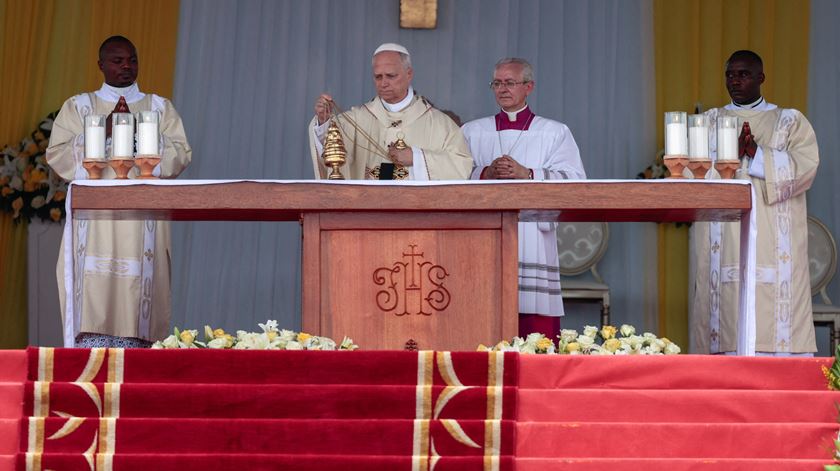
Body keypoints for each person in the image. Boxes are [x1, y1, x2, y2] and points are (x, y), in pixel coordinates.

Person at [46, 35, 192, 348]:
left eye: (132, 60)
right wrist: (104, 129)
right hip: (95, 221)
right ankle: (91, 346)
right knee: (93, 288)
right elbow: (57, 153)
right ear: (101, 65)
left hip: (142, 220)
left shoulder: (158, 108)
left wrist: (144, 132)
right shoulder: (79, 106)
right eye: (117, 60)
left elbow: (181, 154)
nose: (126, 66)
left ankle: (139, 349)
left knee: (139, 291)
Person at [690, 50, 819, 355]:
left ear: (761, 78)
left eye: (744, 74)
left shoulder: (790, 121)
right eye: (730, 74)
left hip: (775, 234)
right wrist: (725, 157)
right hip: (722, 234)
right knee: (722, 303)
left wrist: (757, 155)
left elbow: (807, 167)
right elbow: (688, 175)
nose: (735, 81)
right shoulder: (707, 121)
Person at [461, 58, 586, 338]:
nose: (502, 88)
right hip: (484, 232)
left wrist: (528, 172)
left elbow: (575, 180)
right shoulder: (472, 131)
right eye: (497, 83)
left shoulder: (554, 132)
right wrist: (485, 172)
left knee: (533, 322)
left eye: (510, 82)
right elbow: (451, 175)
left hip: (532, 235)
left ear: (529, 86)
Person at [308, 43, 472, 180]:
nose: (383, 83)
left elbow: (461, 165)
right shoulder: (356, 119)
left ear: (409, 74)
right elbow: (331, 151)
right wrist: (324, 121)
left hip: (417, 214)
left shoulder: (439, 123)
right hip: (368, 212)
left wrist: (416, 157)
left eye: (390, 76)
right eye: (378, 77)